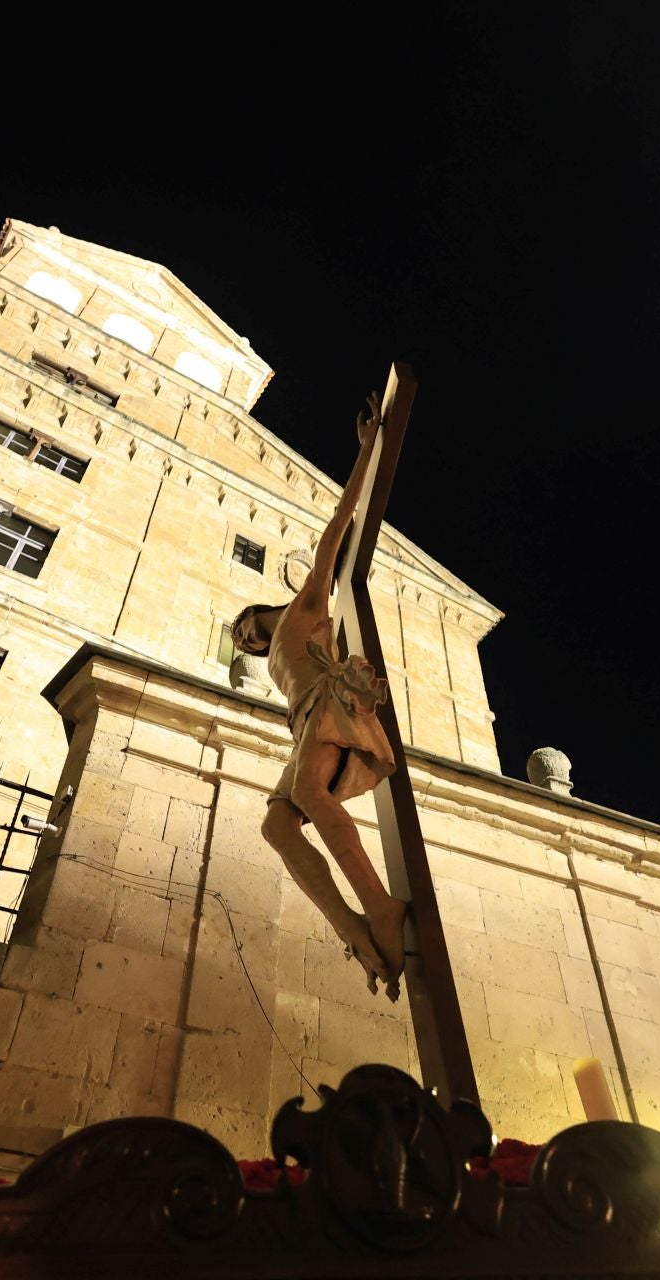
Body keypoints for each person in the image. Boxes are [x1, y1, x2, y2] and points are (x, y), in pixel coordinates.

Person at [232, 394, 407, 1001]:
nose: (248, 639)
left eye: (246, 626)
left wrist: (363, 454)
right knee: (277, 826)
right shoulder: (277, 644)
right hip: (307, 723)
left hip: (330, 707)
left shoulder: (305, 608)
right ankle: (352, 927)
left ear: (261, 608)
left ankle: (382, 905)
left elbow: (337, 529)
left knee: (306, 794)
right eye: (245, 643)